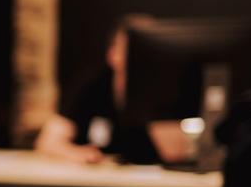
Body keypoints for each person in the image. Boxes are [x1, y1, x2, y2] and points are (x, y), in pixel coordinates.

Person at [35, 15, 193, 165]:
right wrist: (77, 154)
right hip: (101, 181)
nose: (139, 57)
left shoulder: (166, 91)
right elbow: (48, 141)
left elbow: (176, 153)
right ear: (112, 55)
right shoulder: (92, 86)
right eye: (132, 48)